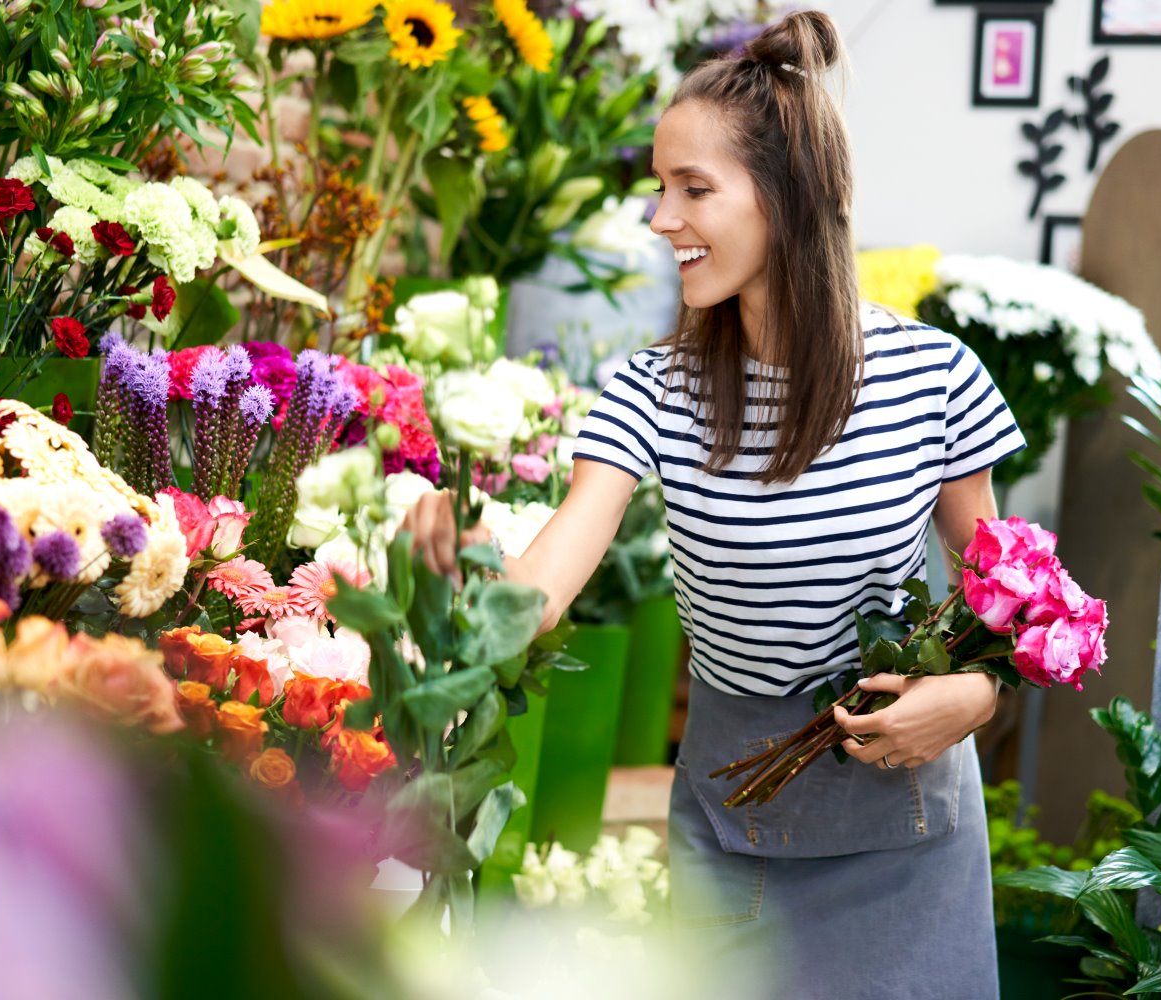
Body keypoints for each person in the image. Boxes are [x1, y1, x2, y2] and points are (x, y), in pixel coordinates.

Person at [402, 11, 1024, 998]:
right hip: (734, 833)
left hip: (906, 835)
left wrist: (976, 697)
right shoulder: (650, 390)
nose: (661, 220)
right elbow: (551, 573)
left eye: (694, 188)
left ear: (792, 197)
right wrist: (467, 566)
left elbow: (1015, 599)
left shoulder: (933, 376)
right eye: (660, 187)